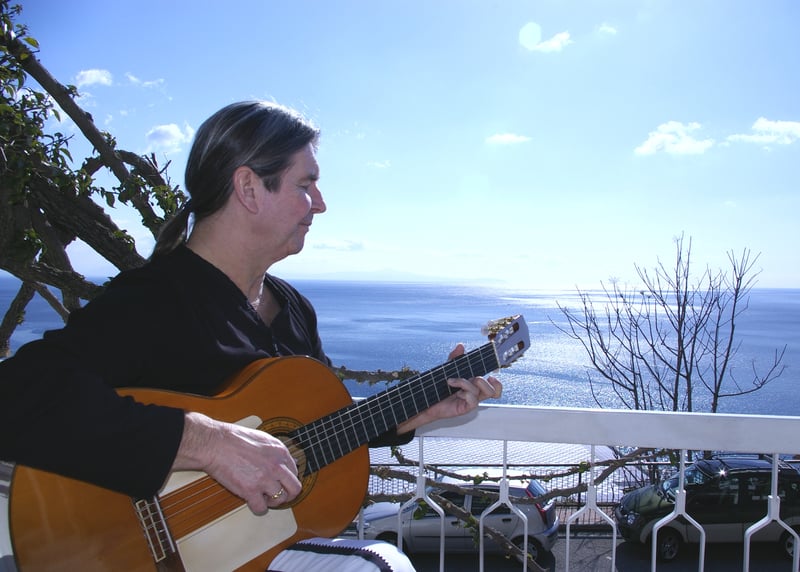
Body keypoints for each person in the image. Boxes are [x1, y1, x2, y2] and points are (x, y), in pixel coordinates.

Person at [0, 100, 502, 571]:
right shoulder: (155, 300)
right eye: (306, 185)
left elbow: (317, 428)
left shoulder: (293, 309)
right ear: (248, 188)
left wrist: (413, 412)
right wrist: (206, 442)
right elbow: (16, 396)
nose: (320, 204)